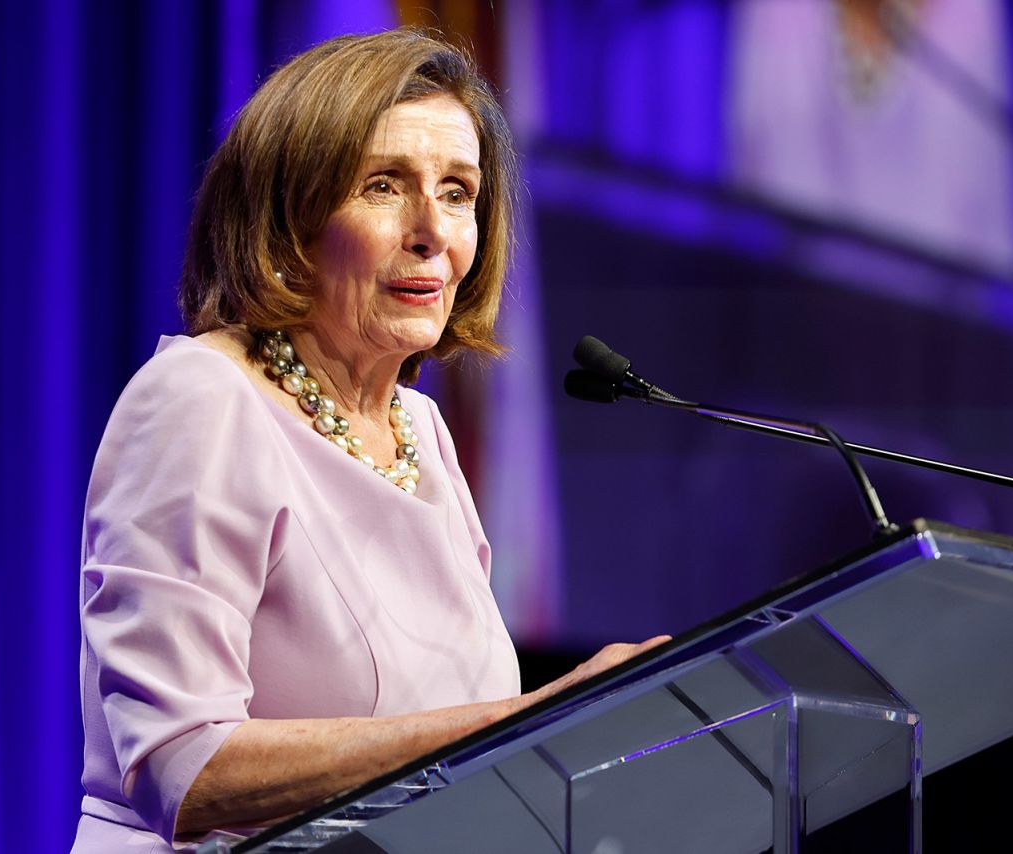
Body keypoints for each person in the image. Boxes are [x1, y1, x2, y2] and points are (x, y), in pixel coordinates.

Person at [71, 28, 668, 852]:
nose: (432, 230)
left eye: (458, 192)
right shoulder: (200, 401)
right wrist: (531, 719)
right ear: (291, 214)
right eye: (384, 185)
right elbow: (179, 763)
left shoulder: (420, 429)